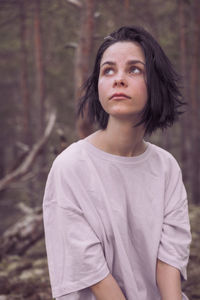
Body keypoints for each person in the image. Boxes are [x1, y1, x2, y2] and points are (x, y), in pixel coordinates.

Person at [43, 26, 192, 300]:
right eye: (108, 70)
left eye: (134, 69)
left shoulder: (166, 168)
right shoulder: (71, 168)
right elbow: (93, 275)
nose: (118, 79)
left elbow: (169, 263)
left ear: (155, 83)